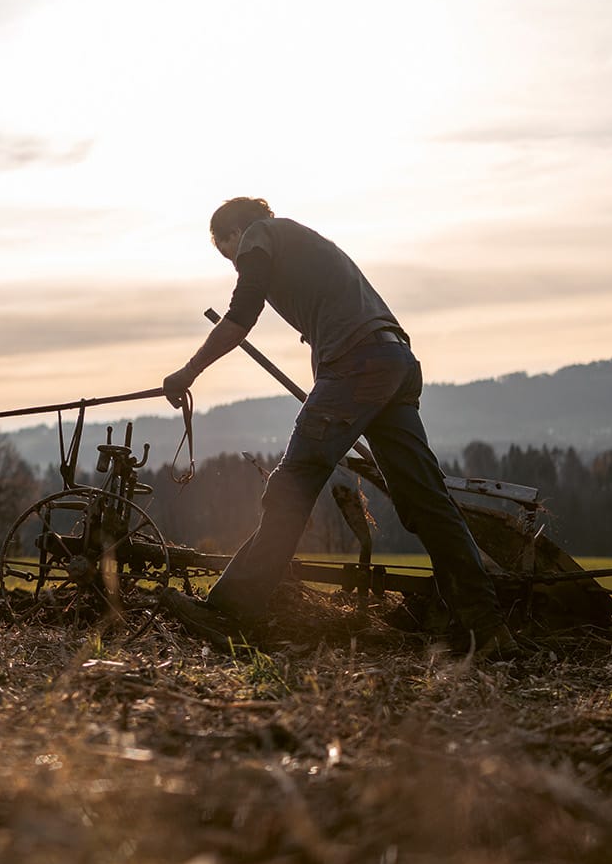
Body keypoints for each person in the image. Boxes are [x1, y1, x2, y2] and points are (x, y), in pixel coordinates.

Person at [160, 197, 511, 655]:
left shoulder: (258, 235)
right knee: (426, 497)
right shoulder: (306, 244)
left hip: (355, 365)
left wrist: (188, 371)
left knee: (293, 484)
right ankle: (483, 626)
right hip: (394, 361)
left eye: (227, 253)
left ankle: (231, 613)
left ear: (232, 233)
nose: (236, 262)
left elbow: (241, 317)